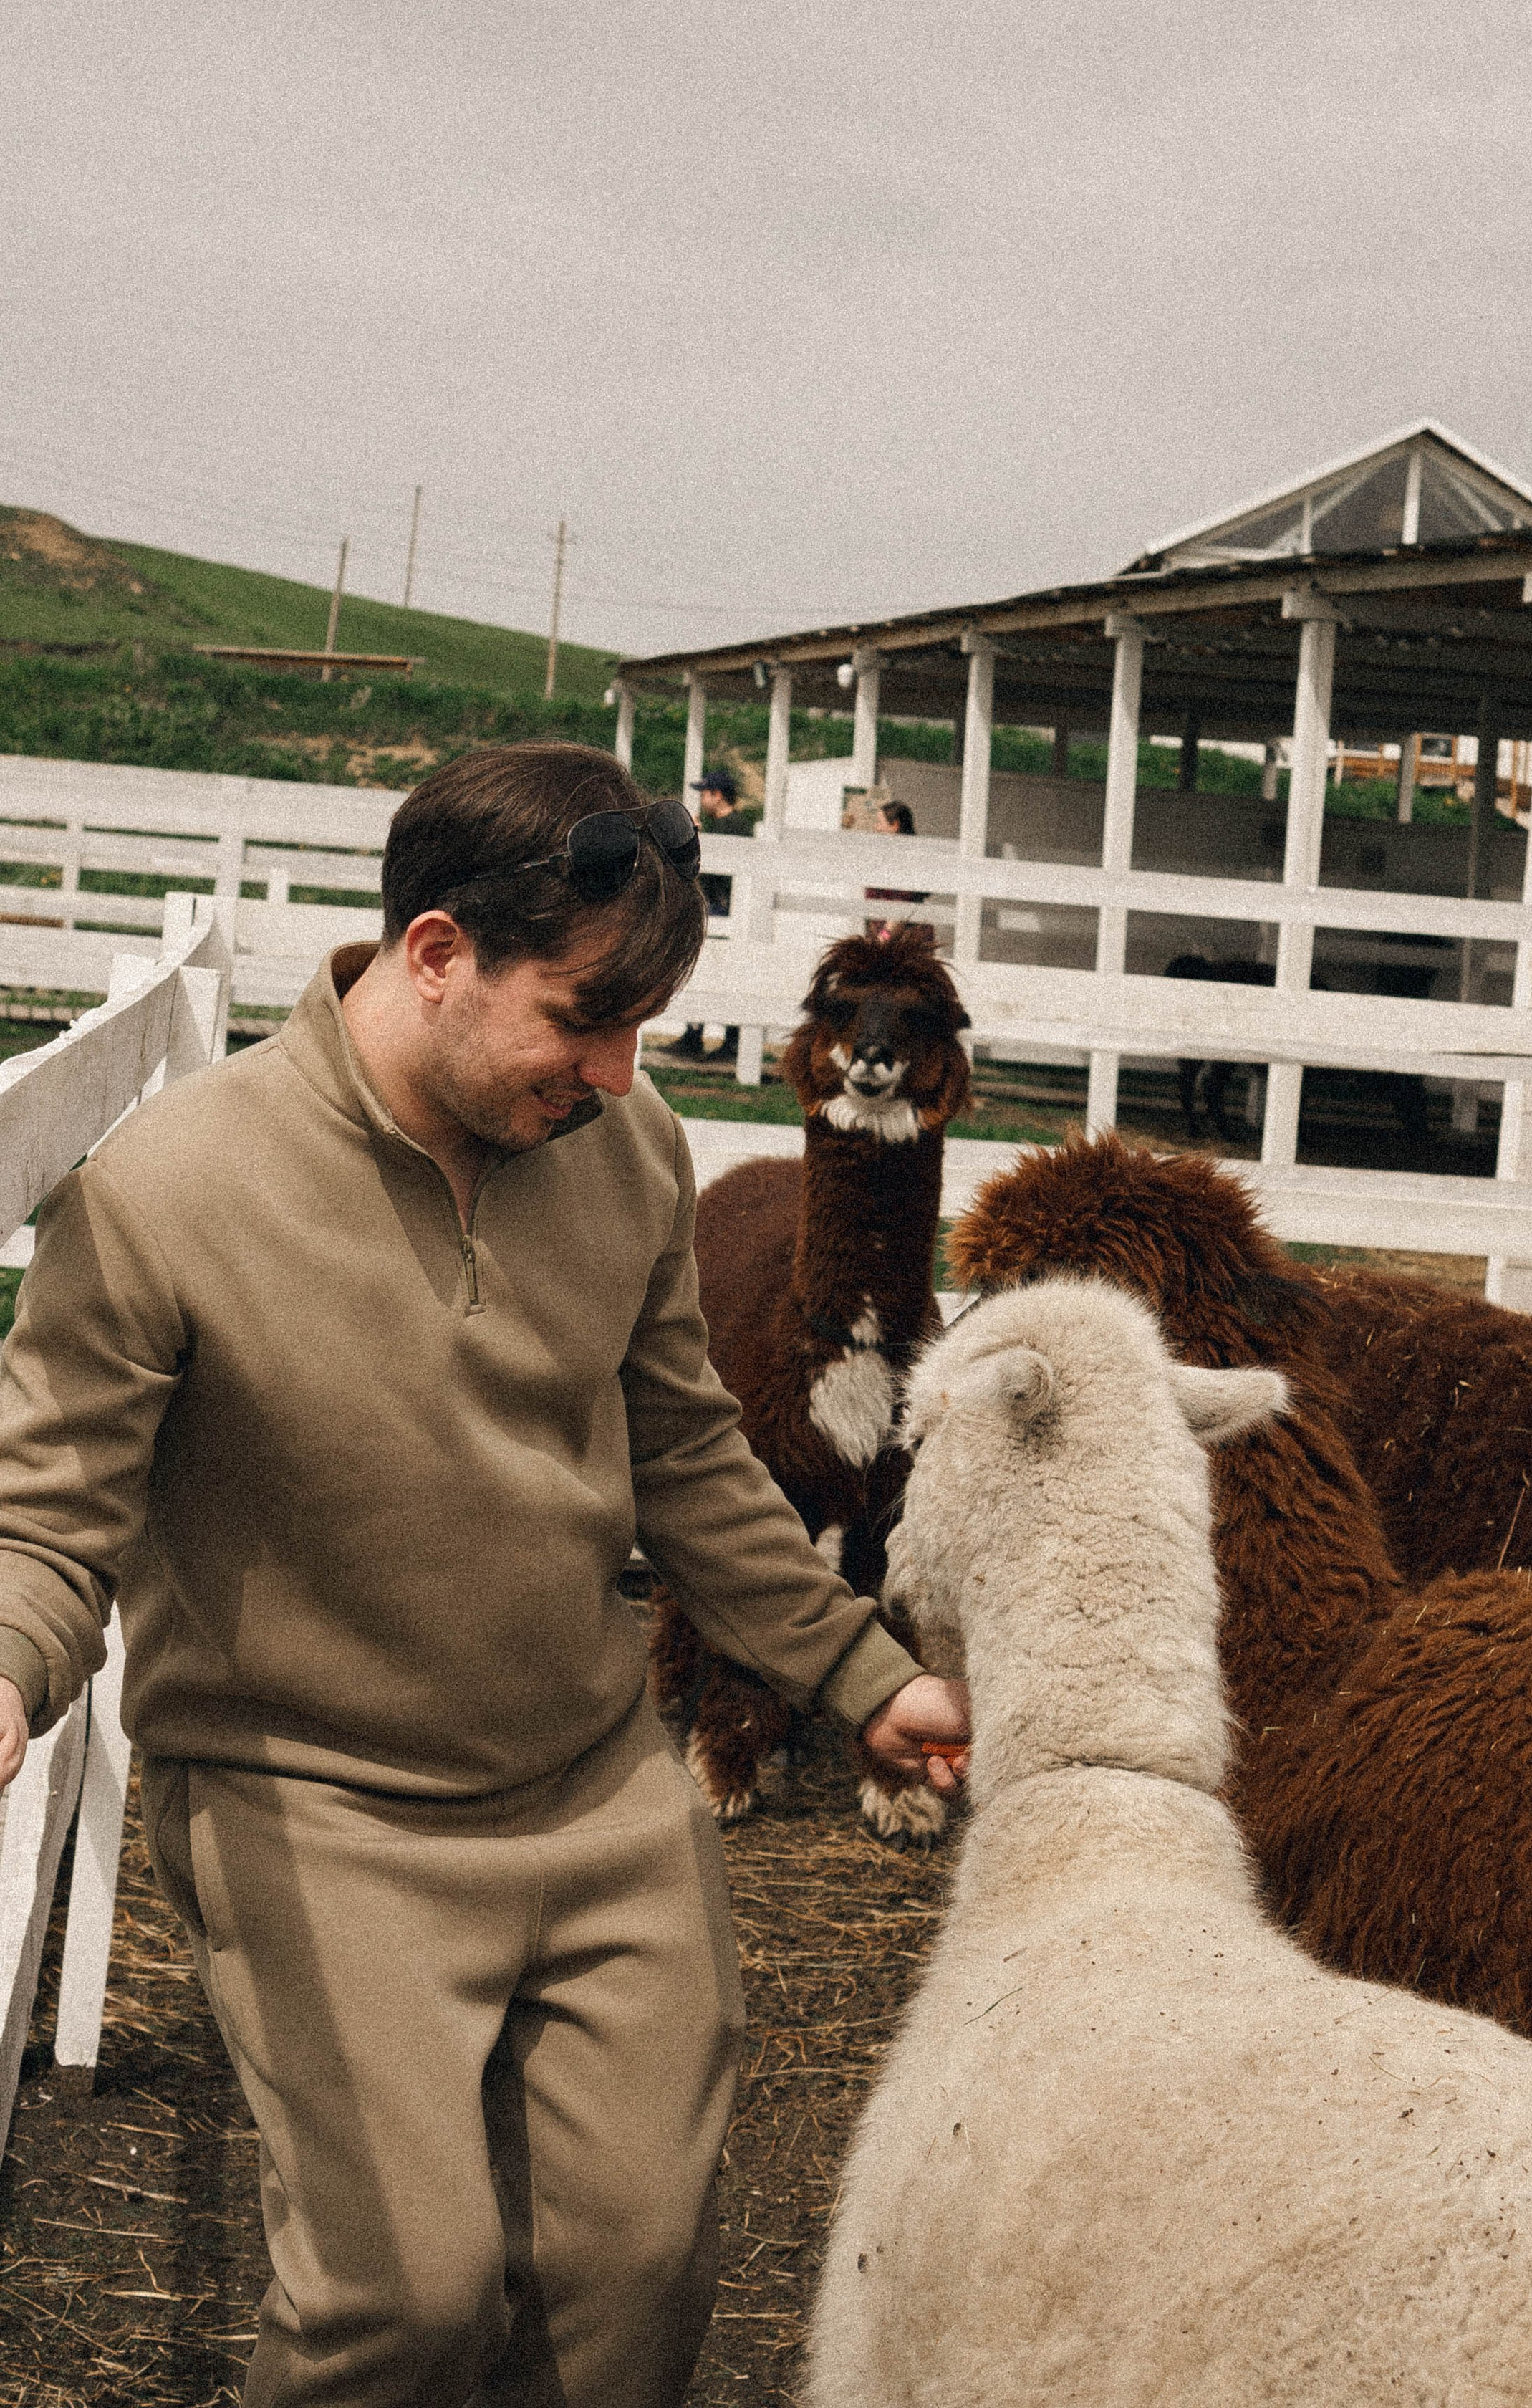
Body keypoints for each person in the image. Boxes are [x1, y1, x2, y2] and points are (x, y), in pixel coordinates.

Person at [0, 740, 968, 2408]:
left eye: (636, 1028)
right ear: (435, 952)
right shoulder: (168, 1195)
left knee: (632, 2293)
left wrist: (866, 1675)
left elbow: (685, 1454)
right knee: (402, 2301)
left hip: (594, 1795)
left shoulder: (626, 1151)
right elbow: (46, 1515)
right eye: (582, 1016)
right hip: (314, 1807)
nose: (612, 1070)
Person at [665, 766, 756, 1061]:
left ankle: (721, 1039)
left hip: (724, 908)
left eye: (706, 793)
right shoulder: (730, 825)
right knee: (709, 971)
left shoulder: (732, 828)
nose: (702, 799)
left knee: (725, 973)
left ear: (717, 795)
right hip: (718, 907)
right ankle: (699, 1035)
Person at [863, 794, 928, 939]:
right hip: (884, 933)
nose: (876, 828)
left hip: (899, 937)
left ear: (895, 826)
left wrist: (885, 935)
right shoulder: (886, 856)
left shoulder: (908, 859)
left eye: (880, 823)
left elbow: (902, 903)